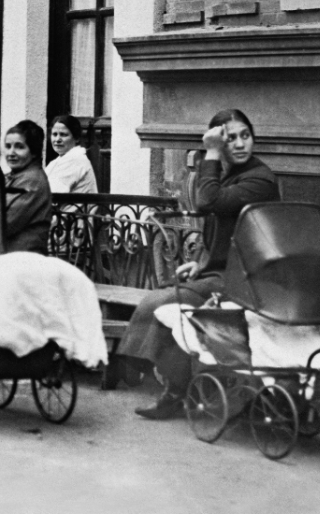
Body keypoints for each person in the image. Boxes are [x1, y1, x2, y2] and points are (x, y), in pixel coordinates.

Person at [117, 109, 280, 420]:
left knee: (163, 302)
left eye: (245, 135)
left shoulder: (260, 179)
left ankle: (168, 387)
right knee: (167, 299)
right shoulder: (232, 175)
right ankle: (174, 387)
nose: (240, 143)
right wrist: (197, 262)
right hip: (223, 272)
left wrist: (212, 152)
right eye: (230, 138)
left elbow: (207, 202)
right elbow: (220, 230)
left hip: (246, 280)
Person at [3, 120, 52, 255]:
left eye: (19, 147)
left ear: (34, 152)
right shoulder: (12, 177)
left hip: (24, 260)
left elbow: (4, 223)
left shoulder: (32, 181)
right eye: (8, 146)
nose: (11, 153)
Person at [45, 114, 98, 194]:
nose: (57, 139)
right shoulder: (57, 161)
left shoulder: (76, 160)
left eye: (63, 135)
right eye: (54, 134)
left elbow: (52, 194)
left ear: (76, 138)